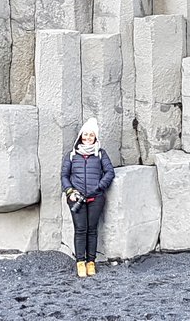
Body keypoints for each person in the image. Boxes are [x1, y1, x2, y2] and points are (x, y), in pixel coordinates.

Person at [61, 117, 115, 278]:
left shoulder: (100, 154)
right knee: (80, 230)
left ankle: (91, 262)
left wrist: (99, 187)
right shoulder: (72, 155)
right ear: (80, 136)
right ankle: (80, 262)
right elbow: (64, 175)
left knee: (92, 230)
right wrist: (70, 191)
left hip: (96, 198)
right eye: (85, 135)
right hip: (76, 198)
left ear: (95, 137)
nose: (87, 138)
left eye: (91, 135)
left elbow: (109, 172)